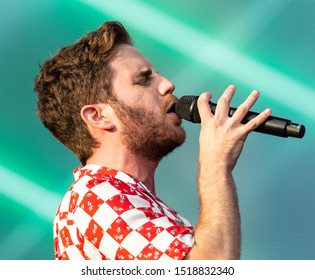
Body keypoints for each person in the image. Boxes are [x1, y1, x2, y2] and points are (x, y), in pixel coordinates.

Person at [34, 21, 271, 260]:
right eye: (144, 80)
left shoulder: (125, 198)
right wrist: (215, 165)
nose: (168, 84)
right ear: (99, 116)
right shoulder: (95, 198)